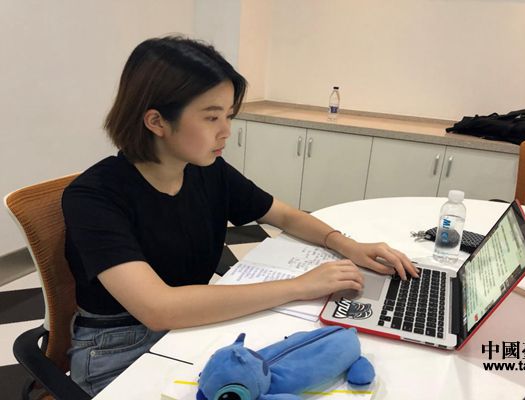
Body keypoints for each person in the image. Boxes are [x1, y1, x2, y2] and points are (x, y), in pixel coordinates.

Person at [62, 36, 419, 396]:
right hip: (118, 349)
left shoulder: (205, 170)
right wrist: (300, 286)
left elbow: (283, 214)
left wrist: (346, 244)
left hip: (189, 325)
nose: (226, 131)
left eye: (228, 116)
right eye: (211, 117)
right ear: (157, 121)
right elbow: (158, 308)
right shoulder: (94, 196)